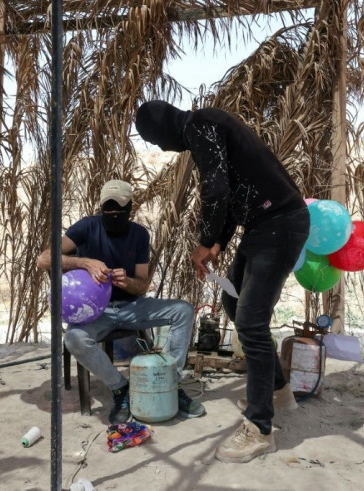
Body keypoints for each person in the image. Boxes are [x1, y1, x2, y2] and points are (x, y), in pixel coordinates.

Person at [135, 101, 309, 463]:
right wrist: (216, 244)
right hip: (263, 225)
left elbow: (216, 190)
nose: (164, 150)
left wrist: (203, 239)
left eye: (157, 142)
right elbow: (230, 198)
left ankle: (260, 429)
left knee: (251, 322)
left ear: (163, 130)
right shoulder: (206, 127)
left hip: (279, 224)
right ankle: (278, 391)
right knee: (234, 303)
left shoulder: (201, 125)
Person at [36, 179, 205, 424]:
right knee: (73, 338)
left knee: (184, 311)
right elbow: (44, 259)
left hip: (132, 307)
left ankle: (170, 383)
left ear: (130, 209)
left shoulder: (139, 234)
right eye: (108, 210)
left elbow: (143, 284)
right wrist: (84, 262)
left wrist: (128, 282)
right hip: (95, 313)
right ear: (101, 207)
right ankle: (120, 387)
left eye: (119, 211)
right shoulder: (86, 227)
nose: (113, 214)